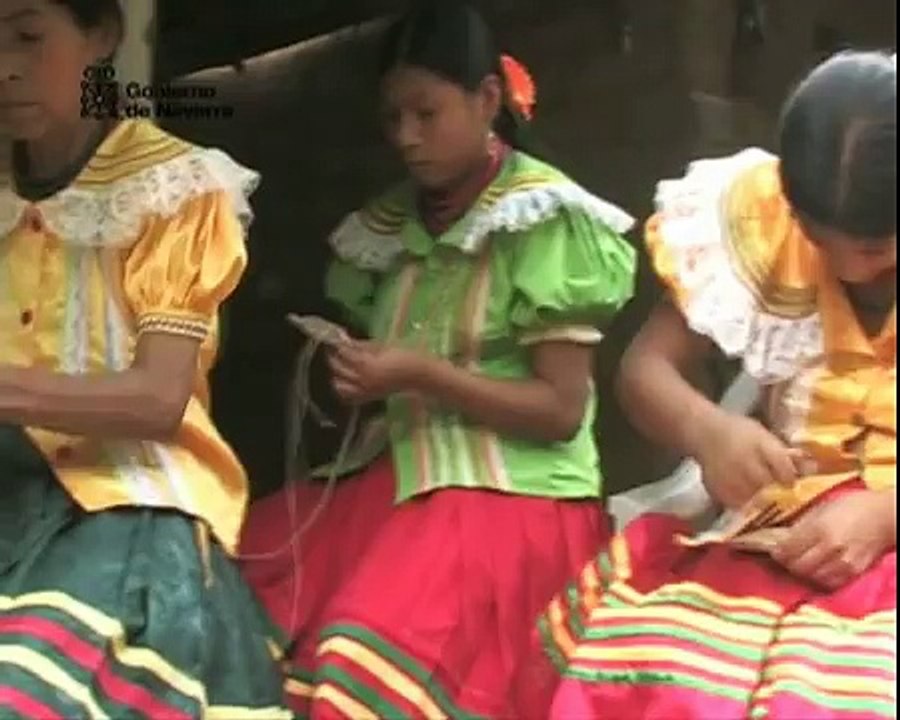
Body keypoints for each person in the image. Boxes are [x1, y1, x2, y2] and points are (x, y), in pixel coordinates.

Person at [238, 2, 637, 717]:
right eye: (393, 119)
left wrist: (418, 374)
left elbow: (559, 412)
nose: (406, 138)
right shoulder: (392, 225)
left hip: (514, 500)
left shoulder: (545, 221)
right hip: (401, 480)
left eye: (426, 113)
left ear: (488, 99)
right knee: (240, 593)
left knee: (355, 667)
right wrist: (361, 379)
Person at [527, 50, 896, 720]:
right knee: (654, 672)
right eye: (820, 237)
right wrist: (707, 430)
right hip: (787, 539)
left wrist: (886, 513)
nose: (846, 266)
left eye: (872, 248)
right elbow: (644, 372)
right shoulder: (761, 216)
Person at [0, 1, 290, 716]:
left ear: (101, 36)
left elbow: (158, 399)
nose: (4, 65)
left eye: (30, 36)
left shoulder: (174, 190)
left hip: (126, 510)